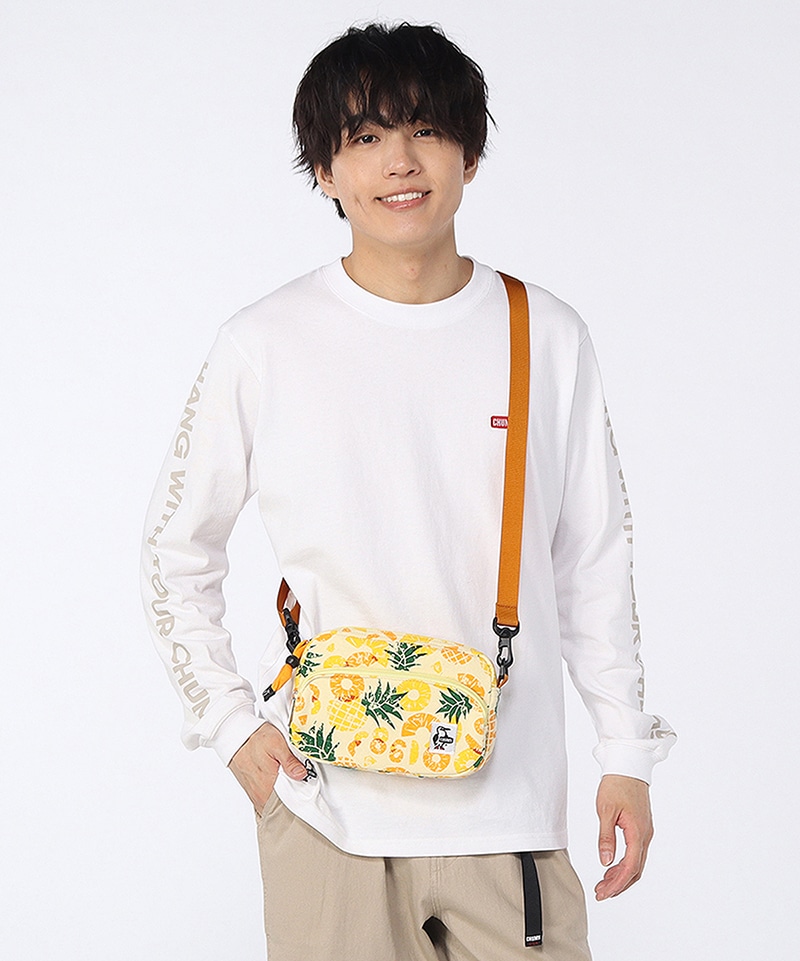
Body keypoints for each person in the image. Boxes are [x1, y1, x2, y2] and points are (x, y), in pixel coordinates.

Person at [141, 21, 676, 961]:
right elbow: (173, 550)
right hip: (326, 809)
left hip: (511, 816)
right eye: (365, 136)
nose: (400, 161)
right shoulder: (264, 342)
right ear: (325, 171)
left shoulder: (545, 334)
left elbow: (592, 557)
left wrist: (625, 752)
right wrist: (229, 726)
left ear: (470, 154)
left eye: (426, 129)